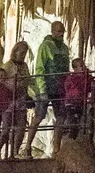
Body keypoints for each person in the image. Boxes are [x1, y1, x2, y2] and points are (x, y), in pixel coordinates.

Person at [27, 21, 70, 154]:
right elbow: (40, 67)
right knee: (39, 117)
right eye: (58, 31)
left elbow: (66, 69)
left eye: (62, 31)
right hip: (46, 86)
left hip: (59, 88)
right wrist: (42, 88)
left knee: (61, 117)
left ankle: (56, 148)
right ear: (52, 31)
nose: (60, 34)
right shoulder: (45, 46)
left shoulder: (64, 48)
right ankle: (28, 145)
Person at [5, 40, 34, 158]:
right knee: (7, 129)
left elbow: (28, 80)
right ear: (15, 52)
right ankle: (1, 152)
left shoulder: (25, 66)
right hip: (10, 101)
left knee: (21, 127)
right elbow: (2, 81)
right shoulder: (8, 65)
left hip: (21, 99)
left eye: (25, 53)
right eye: (21, 53)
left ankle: (15, 151)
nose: (23, 56)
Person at [62, 56, 94, 142]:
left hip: (80, 103)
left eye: (83, 65)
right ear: (75, 68)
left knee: (78, 122)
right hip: (72, 103)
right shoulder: (72, 78)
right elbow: (67, 87)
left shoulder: (86, 78)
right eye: (81, 66)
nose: (83, 67)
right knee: (74, 123)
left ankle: (73, 142)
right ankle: (71, 143)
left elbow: (91, 86)